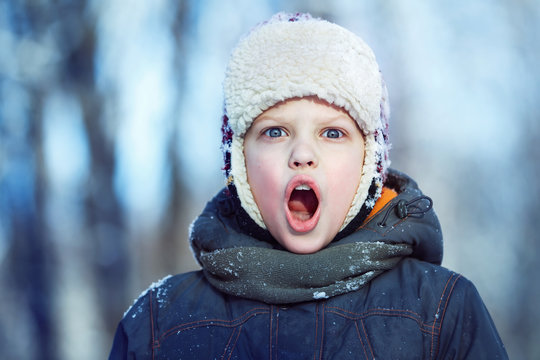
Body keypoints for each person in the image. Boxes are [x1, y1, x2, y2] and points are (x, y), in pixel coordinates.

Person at [109, 12, 508, 359]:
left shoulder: (441, 311)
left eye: (332, 133)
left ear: (370, 163)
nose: (302, 153)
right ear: (240, 163)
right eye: (275, 131)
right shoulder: (159, 324)